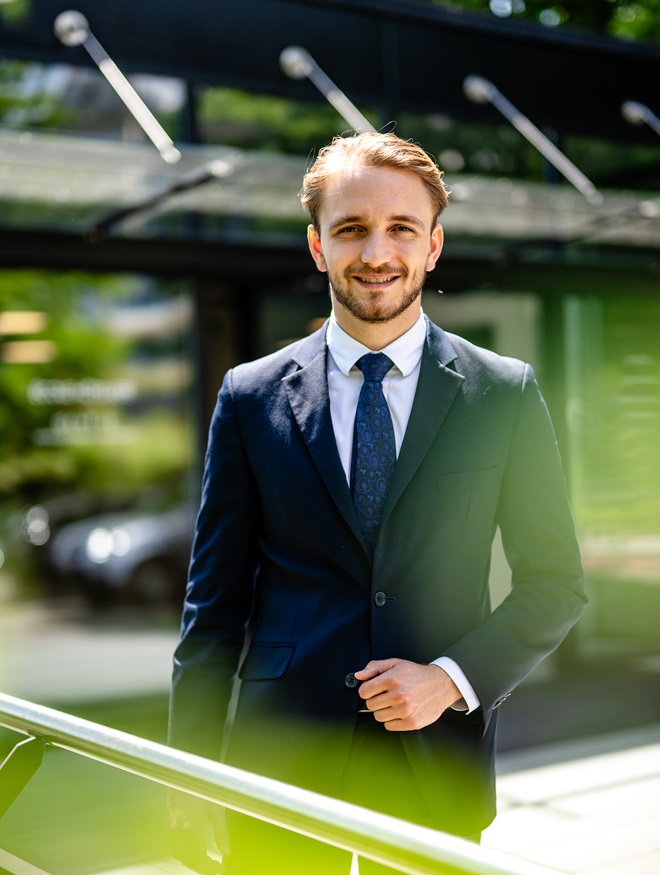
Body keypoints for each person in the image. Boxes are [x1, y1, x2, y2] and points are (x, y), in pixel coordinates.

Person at [168, 131, 586, 875]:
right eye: (351, 228)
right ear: (317, 245)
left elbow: (556, 583)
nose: (376, 252)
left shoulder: (504, 390)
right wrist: (189, 768)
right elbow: (214, 606)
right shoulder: (249, 394)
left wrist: (450, 679)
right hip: (279, 759)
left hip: (436, 761)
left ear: (432, 245)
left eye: (401, 228)